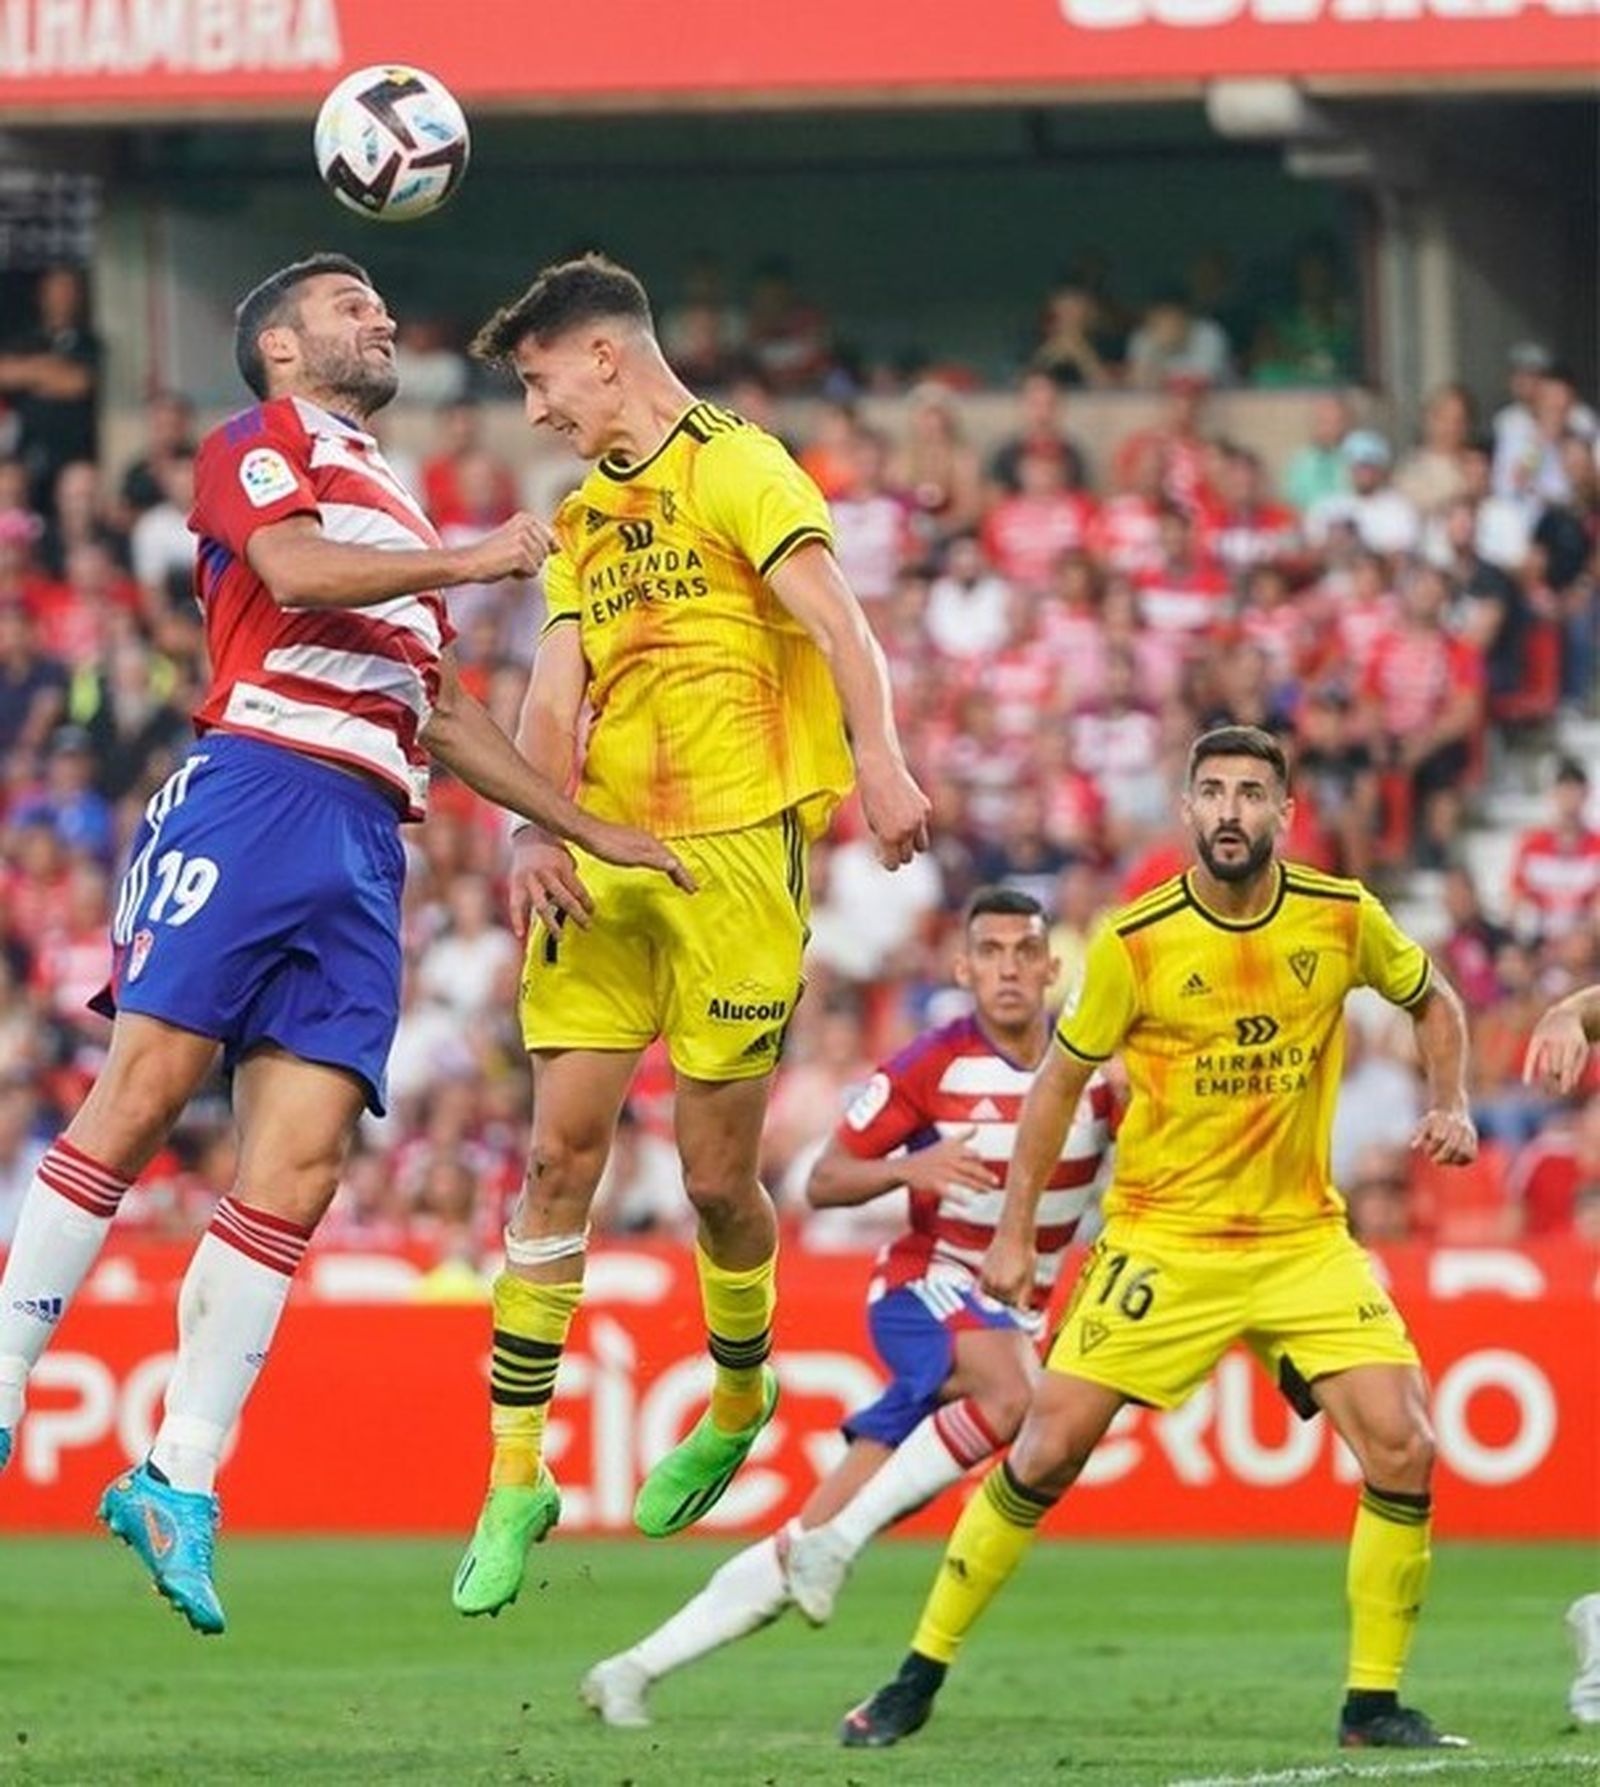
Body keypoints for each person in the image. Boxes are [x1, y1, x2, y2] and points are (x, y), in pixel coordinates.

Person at [0, 253, 688, 1635]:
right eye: (346, 306)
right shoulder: (257, 444)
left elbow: (434, 705)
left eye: (379, 301)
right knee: (143, 1091)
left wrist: (580, 824)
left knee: (300, 1165)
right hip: (257, 785)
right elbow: (296, 572)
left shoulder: (394, 494)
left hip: (367, 835)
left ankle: (179, 1473)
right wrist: (479, 553)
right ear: (282, 350)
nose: (377, 315)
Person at [841, 725, 1479, 1753]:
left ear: (1282, 810)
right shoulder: (1135, 941)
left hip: (1299, 1239)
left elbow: (1432, 997)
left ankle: (1371, 1704)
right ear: (1187, 810)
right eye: (1213, 793)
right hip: (1163, 1241)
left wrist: (1451, 1099)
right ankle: (915, 1673)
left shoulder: (1340, 914)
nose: (1231, 811)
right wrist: (1013, 1232)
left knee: (1404, 1445)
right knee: (1044, 1449)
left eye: (1250, 794)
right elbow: (1055, 1081)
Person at [450, 254, 930, 1618]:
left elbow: (837, 618)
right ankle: (515, 1469)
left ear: (603, 355)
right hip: (604, 859)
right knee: (558, 1151)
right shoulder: (581, 519)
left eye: (539, 379)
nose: (535, 410)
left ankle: (738, 1389)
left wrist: (880, 760)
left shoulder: (743, 466)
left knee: (720, 1180)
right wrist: (537, 827)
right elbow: (557, 684)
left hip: (735, 856)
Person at [580, 887, 1115, 1728]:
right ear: (962, 967)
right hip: (924, 1290)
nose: (1010, 969)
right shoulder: (930, 1065)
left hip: (1011, 1323)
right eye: (992, 952)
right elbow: (821, 1180)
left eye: (1026, 952)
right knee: (1017, 1398)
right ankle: (832, 1547)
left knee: (820, 1524)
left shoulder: (1092, 1072)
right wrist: (914, 1168)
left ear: (1054, 968)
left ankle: (633, 1668)